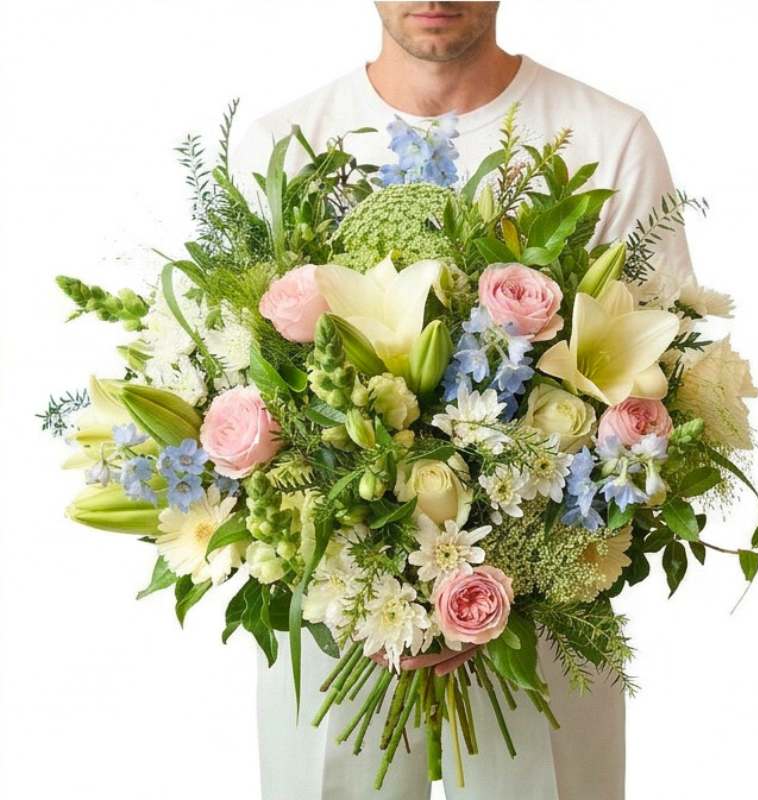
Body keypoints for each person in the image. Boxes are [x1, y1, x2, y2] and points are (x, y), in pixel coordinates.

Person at [233, 3, 693, 799]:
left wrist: (488, 588)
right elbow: (238, 373)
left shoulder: (607, 135)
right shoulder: (283, 143)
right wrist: (378, 583)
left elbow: (669, 392)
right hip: (343, 620)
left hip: (546, 621)